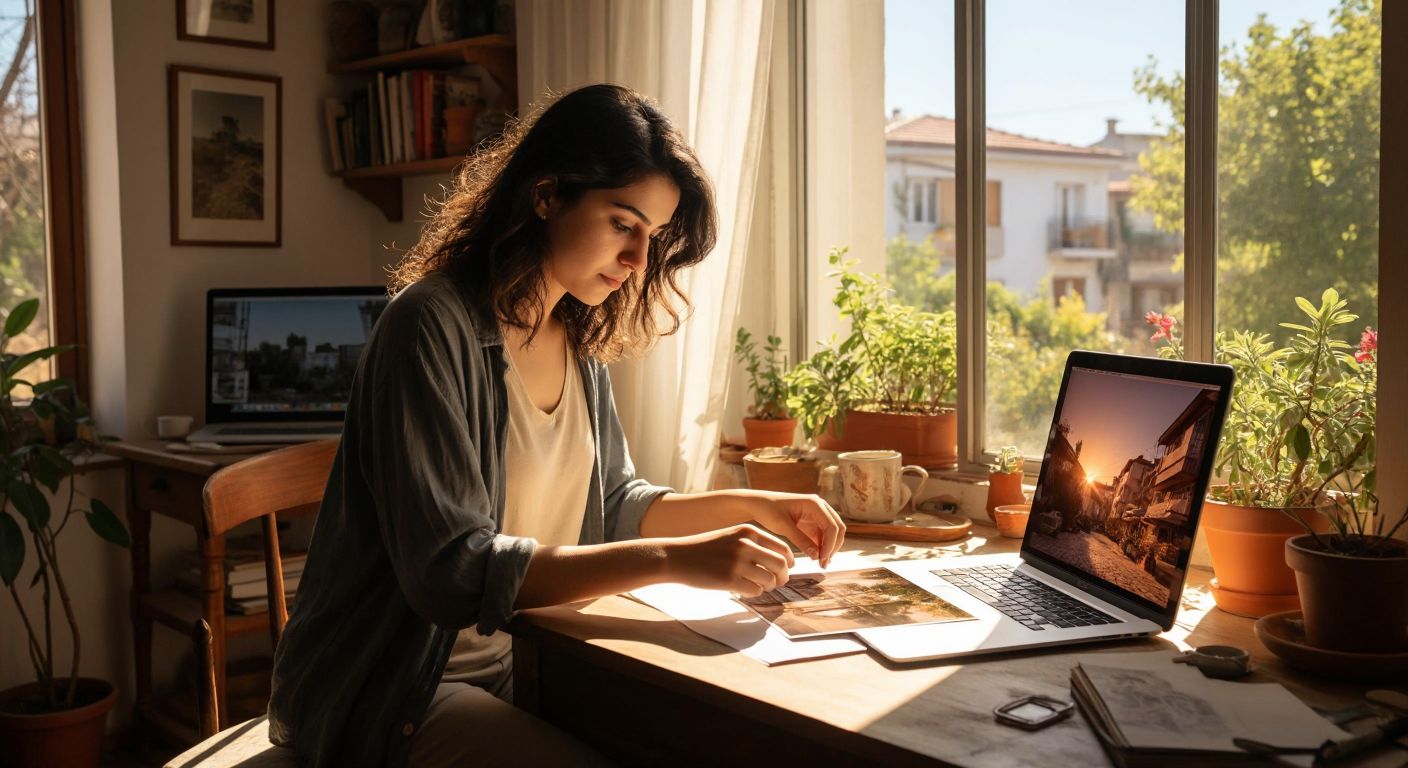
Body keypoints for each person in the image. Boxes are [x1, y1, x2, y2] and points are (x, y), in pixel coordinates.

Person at [267, 83, 846, 767]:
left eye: (652, 237)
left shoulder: (575, 340)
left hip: (527, 661)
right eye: (623, 223)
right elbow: (450, 572)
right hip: (396, 691)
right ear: (546, 194)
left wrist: (756, 503)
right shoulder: (426, 328)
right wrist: (673, 561)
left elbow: (612, 503)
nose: (637, 261)